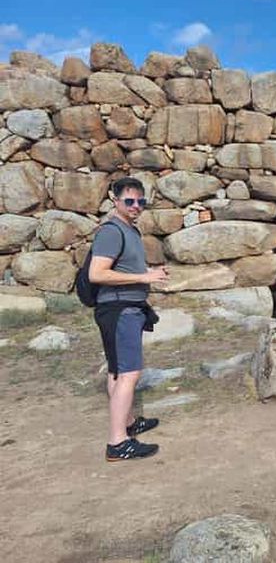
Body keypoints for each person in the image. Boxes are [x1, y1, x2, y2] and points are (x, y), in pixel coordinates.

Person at [89, 177, 168, 461]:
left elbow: (122, 265)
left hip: (126, 309)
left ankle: (128, 423)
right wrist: (142, 277)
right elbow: (96, 274)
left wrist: (148, 272)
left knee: (117, 371)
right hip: (119, 310)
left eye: (141, 202)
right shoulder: (111, 231)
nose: (136, 206)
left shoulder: (129, 230)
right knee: (129, 373)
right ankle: (118, 443)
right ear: (115, 199)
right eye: (129, 201)